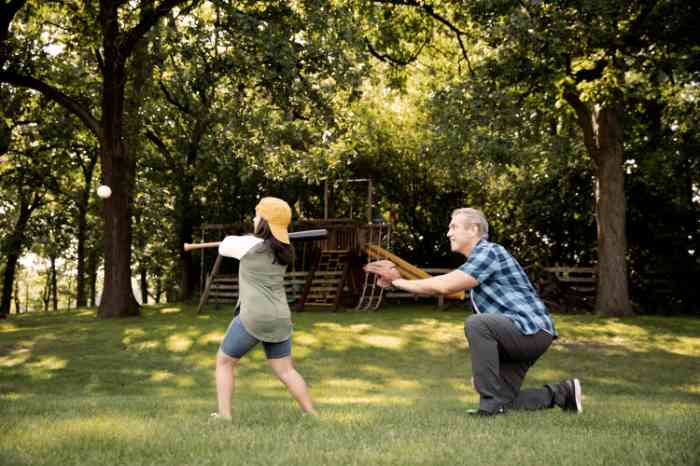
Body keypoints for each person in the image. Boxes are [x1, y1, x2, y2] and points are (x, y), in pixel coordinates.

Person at [365, 208, 581, 416]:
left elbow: (444, 286)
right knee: (503, 400)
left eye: (454, 227)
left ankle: (488, 408)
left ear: (473, 229)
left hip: (529, 330)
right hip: (525, 333)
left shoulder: (489, 252)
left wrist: (397, 281)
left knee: (477, 324)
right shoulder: (478, 260)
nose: (448, 233)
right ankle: (562, 393)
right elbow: (442, 284)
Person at [212, 197, 316, 420]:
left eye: (257, 215)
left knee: (224, 361)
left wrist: (249, 237)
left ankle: (225, 416)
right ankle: (311, 413)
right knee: (286, 370)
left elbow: (224, 245)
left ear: (264, 221)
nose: (253, 218)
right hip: (279, 316)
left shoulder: (247, 245)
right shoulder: (285, 250)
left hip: (255, 316)